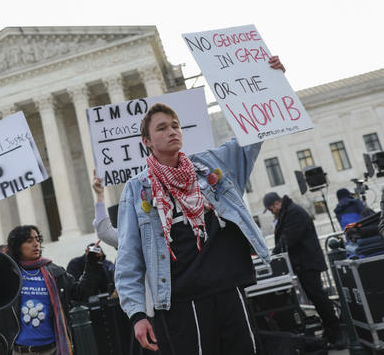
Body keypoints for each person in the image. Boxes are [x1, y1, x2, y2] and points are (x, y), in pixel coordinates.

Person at [115, 56, 286, 354]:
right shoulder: (137, 190)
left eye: (176, 126)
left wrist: (270, 83)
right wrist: (137, 314)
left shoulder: (209, 166)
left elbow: (252, 137)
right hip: (183, 300)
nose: (172, 131)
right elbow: (129, 255)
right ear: (147, 141)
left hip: (229, 288)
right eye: (162, 128)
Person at [264, 192, 347, 349]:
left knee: (319, 298)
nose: (272, 212)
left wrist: (275, 253)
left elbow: (288, 238)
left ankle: (336, 332)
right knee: (317, 298)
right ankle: (331, 332)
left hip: (308, 264)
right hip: (304, 264)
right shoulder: (289, 212)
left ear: (276, 204)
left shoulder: (293, 213)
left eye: (270, 209)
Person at [5, 225, 98, 355]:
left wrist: (92, 264)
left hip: (54, 350)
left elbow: (79, 294)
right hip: (21, 351)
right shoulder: (9, 276)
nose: (36, 244)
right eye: (29, 241)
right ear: (17, 246)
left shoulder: (55, 272)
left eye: (37, 239)